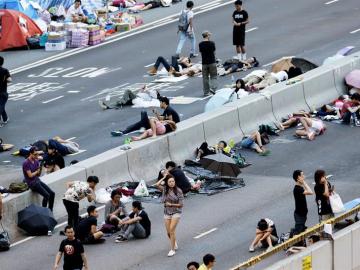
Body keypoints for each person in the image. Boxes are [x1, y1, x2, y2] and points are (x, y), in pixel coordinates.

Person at [111, 96, 180, 136]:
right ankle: (123, 132)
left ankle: (126, 131)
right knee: (139, 123)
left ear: (164, 103)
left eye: (160, 102)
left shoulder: (169, 109)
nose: (159, 104)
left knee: (143, 113)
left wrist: (155, 120)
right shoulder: (167, 109)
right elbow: (162, 118)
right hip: (159, 125)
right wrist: (156, 113)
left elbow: (170, 121)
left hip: (160, 126)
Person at [155, 175, 184, 257]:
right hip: (167, 212)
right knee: (168, 232)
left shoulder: (178, 191)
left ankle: (172, 249)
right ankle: (174, 242)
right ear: (167, 183)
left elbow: (181, 205)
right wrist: (164, 178)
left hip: (176, 212)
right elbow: (157, 185)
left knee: (171, 230)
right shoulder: (165, 189)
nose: (172, 183)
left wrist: (171, 204)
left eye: (173, 181)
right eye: (170, 182)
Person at [23, 146, 55, 211]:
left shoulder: (36, 161)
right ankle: (44, 211)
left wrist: (40, 169)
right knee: (47, 195)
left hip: (37, 180)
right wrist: (36, 171)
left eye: (37, 154)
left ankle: (50, 210)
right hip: (31, 183)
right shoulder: (26, 163)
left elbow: (38, 175)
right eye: (35, 154)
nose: (37, 156)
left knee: (52, 193)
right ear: (30, 154)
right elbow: (30, 176)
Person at [199, 30, 217, 96]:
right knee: (214, 76)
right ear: (207, 35)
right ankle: (213, 88)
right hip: (212, 62)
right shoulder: (212, 43)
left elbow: (201, 53)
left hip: (204, 63)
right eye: (209, 35)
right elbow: (214, 52)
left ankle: (206, 92)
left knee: (205, 77)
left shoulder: (200, 44)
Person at [0, 56, 11, 128]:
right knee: (1, 105)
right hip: (2, 92)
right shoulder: (4, 71)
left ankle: (5, 118)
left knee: (1, 105)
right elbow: (10, 80)